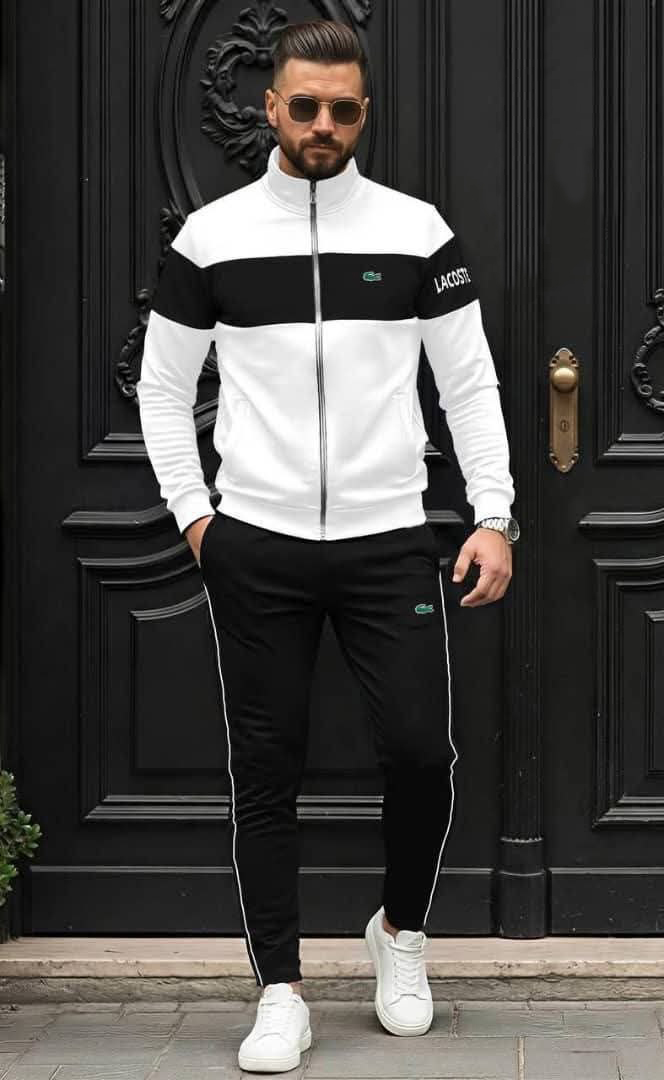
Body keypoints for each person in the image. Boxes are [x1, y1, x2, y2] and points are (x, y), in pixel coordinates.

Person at [136, 17, 519, 1073]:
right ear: (270, 107)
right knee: (265, 767)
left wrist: (492, 514)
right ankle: (280, 990)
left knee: (419, 752)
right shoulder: (210, 239)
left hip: (388, 537)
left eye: (342, 109)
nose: (322, 124)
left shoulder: (415, 232)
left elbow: (468, 383)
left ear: (363, 114)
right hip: (255, 542)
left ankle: (401, 933)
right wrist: (196, 518)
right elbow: (162, 390)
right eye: (303, 106)